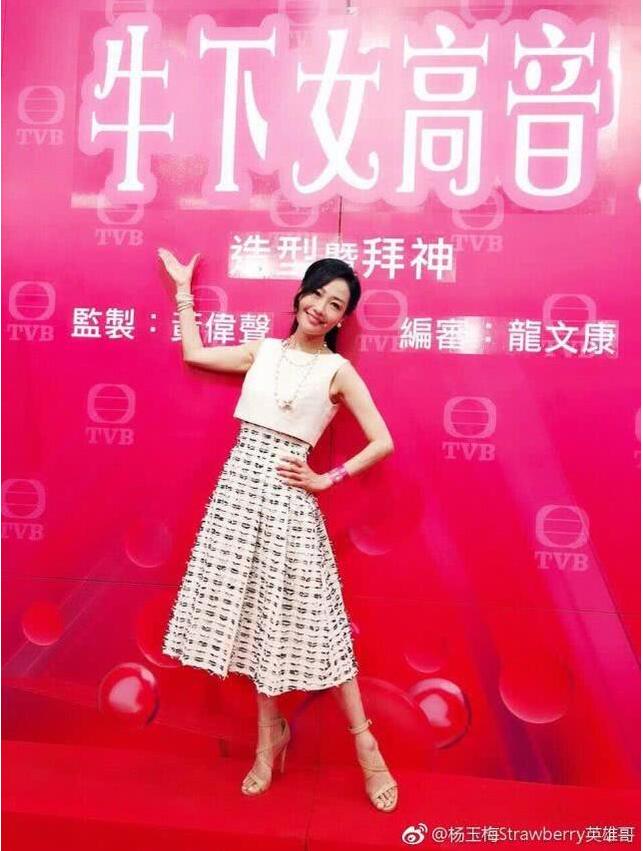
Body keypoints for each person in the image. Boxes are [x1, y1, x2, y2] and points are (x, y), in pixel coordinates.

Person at [156, 247, 398, 813]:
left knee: (324, 626)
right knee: (252, 623)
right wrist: (184, 292)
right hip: (237, 496)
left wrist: (327, 478)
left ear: (341, 319)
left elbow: (382, 441)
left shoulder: (338, 371)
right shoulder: (261, 352)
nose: (321, 307)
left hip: (291, 504)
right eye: (317, 294)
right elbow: (193, 353)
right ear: (301, 295)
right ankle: (269, 741)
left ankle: (367, 747)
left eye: (335, 304)